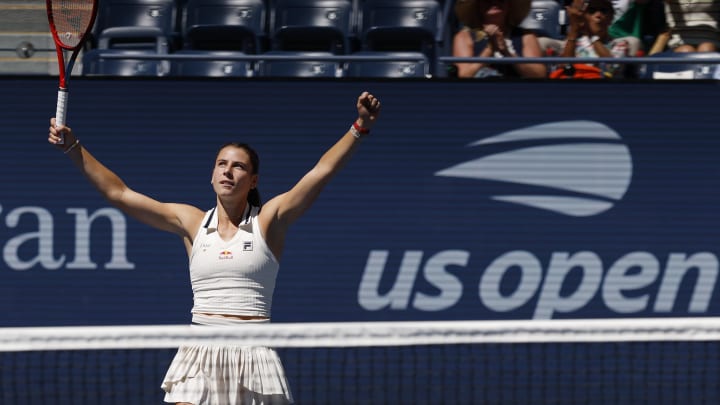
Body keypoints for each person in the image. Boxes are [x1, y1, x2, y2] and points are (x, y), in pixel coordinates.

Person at [47, 91, 382, 405]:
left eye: (238, 166)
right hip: (200, 348)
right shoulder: (190, 222)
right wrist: (72, 146)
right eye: (222, 164)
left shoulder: (269, 220)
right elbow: (118, 193)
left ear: (253, 181)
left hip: (254, 353)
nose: (228, 171)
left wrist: (359, 128)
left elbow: (320, 172)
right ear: (212, 175)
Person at [451, 0, 547, 78]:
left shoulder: (526, 36)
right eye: (487, 1)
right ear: (478, 6)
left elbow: (539, 74)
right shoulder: (464, 37)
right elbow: (464, 75)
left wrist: (507, 53)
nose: (494, 2)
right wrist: (490, 49)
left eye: (501, 0)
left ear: (509, 5)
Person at [551, 0, 633, 78]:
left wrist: (592, 36)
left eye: (603, 11)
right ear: (584, 17)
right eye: (592, 11)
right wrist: (574, 29)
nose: (598, 15)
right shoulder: (573, 42)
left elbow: (611, 69)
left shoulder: (620, 44)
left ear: (611, 17)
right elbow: (565, 67)